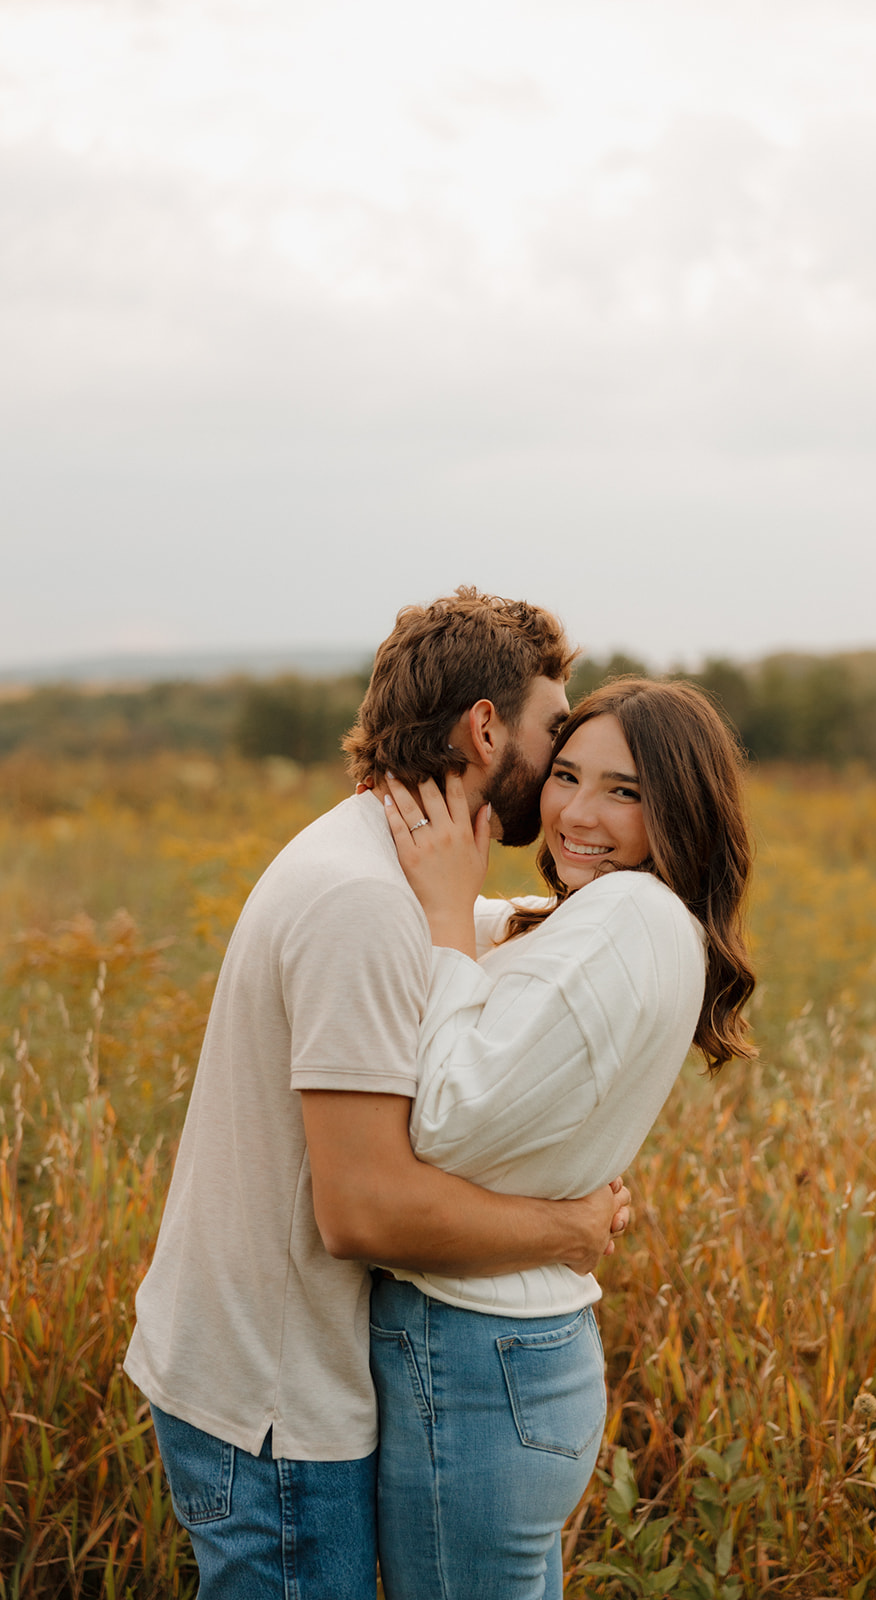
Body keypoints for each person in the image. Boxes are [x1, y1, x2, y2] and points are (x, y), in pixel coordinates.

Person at [124, 589, 630, 1600]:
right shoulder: (359, 900)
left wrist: (631, 914)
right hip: (277, 1411)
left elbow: (471, 926)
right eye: (554, 730)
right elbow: (362, 1211)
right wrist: (566, 1227)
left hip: (279, 1382)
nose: (564, 766)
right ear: (486, 727)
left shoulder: (380, 863)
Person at [372, 675, 756, 1600]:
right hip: (517, 1356)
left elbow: (444, 1119)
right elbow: (520, 959)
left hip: (470, 1355)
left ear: (682, 806)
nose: (577, 814)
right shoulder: (619, 915)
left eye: (624, 792)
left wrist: (438, 921)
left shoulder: (626, 917)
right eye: (566, 776)